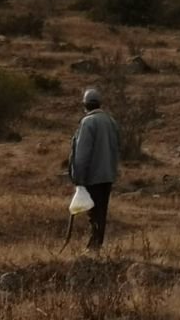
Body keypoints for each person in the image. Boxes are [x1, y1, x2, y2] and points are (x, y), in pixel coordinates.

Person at [68, 87, 121, 251]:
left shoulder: (88, 122)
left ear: (85, 104)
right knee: (101, 212)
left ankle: (93, 247)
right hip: (108, 175)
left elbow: (82, 154)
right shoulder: (111, 121)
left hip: (92, 176)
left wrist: (78, 178)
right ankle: (96, 245)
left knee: (93, 213)